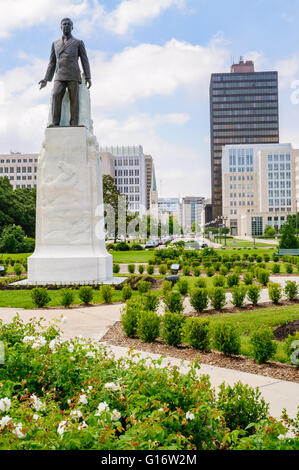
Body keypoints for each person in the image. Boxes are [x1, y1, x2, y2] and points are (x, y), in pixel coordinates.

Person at [39, 18, 91, 127]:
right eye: (64, 24)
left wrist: (88, 77)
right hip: (60, 74)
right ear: (60, 27)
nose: (66, 26)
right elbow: (52, 63)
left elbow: (84, 60)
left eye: (68, 24)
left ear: (72, 27)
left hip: (73, 74)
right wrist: (46, 79)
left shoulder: (78, 42)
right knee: (56, 95)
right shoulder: (55, 43)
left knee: (74, 100)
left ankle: (74, 123)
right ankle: (55, 122)